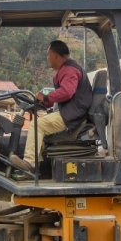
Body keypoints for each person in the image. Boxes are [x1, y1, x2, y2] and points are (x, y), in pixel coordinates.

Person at [10, 39, 92, 174]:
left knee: (38, 125)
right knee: (41, 125)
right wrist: (45, 101)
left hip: (72, 115)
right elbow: (62, 95)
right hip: (71, 112)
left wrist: (47, 97)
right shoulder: (67, 69)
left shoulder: (70, 70)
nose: (47, 58)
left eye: (48, 55)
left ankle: (29, 163)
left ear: (55, 55)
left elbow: (67, 92)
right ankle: (38, 169)